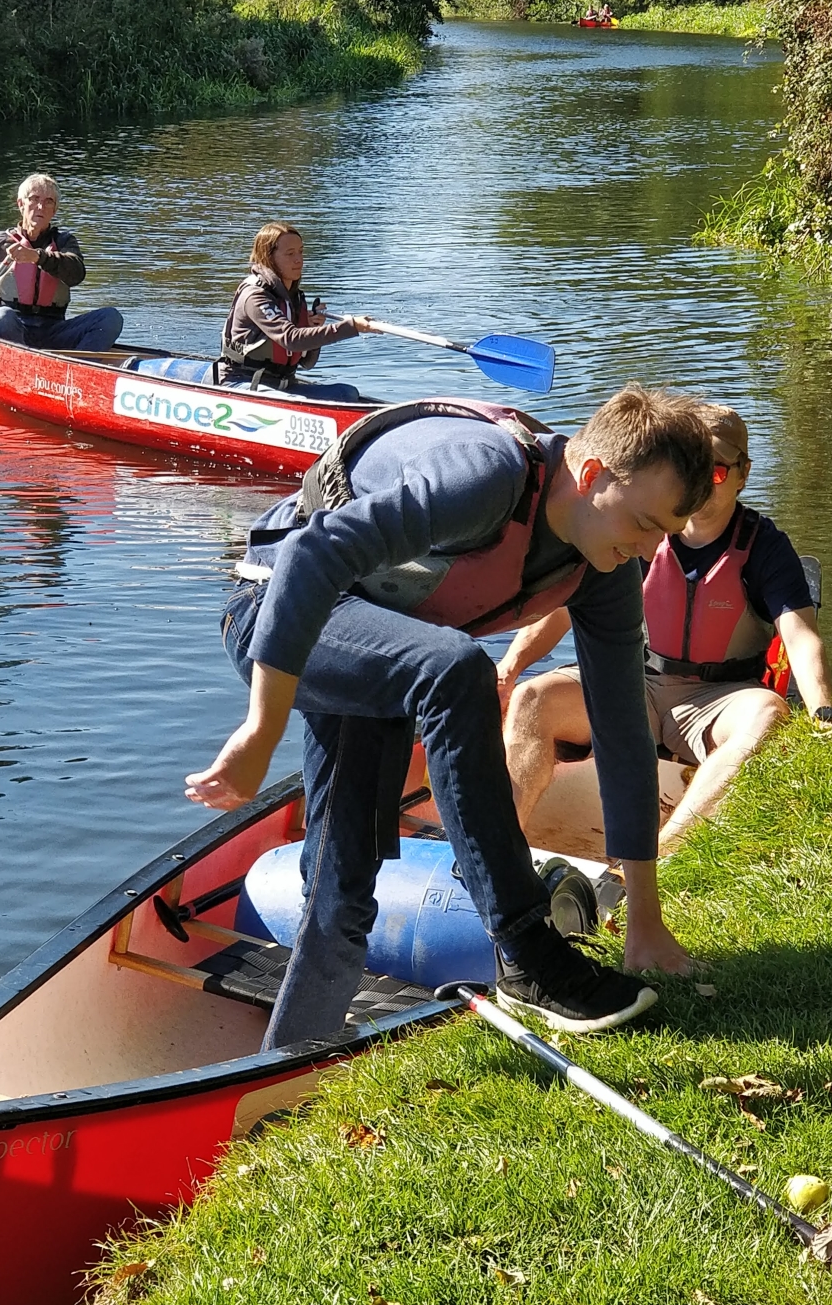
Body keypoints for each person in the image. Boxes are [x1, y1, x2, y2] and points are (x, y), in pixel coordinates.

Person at [185, 384, 715, 1047]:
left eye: (663, 537)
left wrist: (644, 916)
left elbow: (626, 734)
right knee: (456, 668)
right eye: (643, 524)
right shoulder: (485, 475)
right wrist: (260, 731)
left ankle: (278, 1070)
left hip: (378, 635)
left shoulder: (602, 572)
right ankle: (527, 953)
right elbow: (307, 557)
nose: (646, 553)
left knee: (343, 890)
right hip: (278, 611)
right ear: (590, 475)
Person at [499, 403, 832, 854]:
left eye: (716, 471)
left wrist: (823, 714)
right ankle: (499, 854)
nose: (702, 482)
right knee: (531, 698)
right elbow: (563, 608)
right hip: (639, 681)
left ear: (743, 473)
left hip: (719, 696)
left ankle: (657, 862)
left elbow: (799, 634)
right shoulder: (641, 528)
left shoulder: (765, 547)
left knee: (768, 714)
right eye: (692, 467)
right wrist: (509, 667)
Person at [0, 173, 123, 352]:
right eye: (34, 199)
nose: (41, 207)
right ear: (21, 204)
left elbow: (76, 274)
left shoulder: (64, 243)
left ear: (54, 210)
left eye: (48, 201)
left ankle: (79, 369)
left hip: (54, 330)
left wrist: (38, 257)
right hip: (11, 326)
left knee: (111, 318)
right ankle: (18, 363)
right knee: (2, 316)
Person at [216, 221, 376, 402]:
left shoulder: (294, 297)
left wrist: (311, 329)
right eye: (290, 254)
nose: (298, 259)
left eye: (300, 252)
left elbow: (307, 364)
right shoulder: (255, 296)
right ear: (269, 257)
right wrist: (352, 327)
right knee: (292, 402)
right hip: (242, 382)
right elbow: (290, 339)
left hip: (284, 384)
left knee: (347, 393)